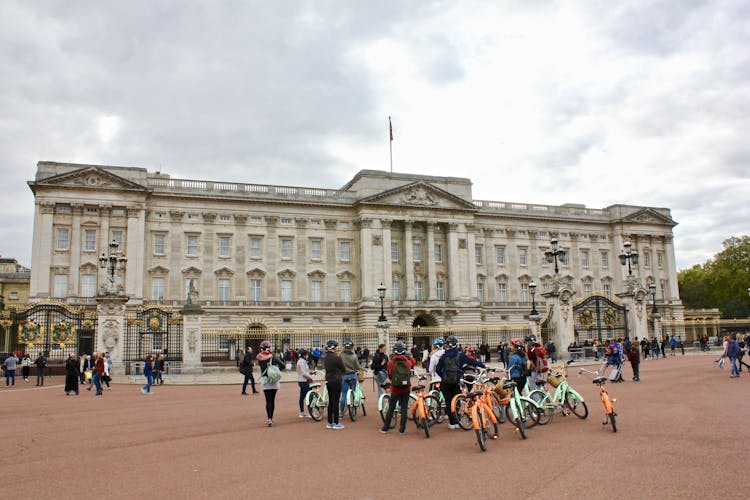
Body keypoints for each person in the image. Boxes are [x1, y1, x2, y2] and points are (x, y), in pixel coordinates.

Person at [435, 336, 485, 429]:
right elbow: (472, 361)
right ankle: (457, 420)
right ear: (456, 344)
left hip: (445, 382)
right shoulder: (460, 355)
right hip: (456, 381)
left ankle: (452, 423)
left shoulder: (444, 355)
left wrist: (444, 376)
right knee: (457, 401)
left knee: (449, 402)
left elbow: (437, 369)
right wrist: (483, 365)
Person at [380, 341, 415, 435]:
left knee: (391, 408)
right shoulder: (408, 362)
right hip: (406, 388)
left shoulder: (391, 363)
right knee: (404, 409)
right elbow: (411, 367)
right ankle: (402, 429)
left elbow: (390, 375)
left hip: (395, 388)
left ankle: (385, 428)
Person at [257, 340, 284, 426]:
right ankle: (271, 418)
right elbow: (282, 365)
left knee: (268, 400)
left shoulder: (260, 357)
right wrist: (276, 370)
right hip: (274, 380)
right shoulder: (273, 357)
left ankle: (269, 419)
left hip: (265, 380)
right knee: (272, 400)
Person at [323, 340, 345, 430]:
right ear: (334, 347)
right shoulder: (337, 357)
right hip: (336, 380)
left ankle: (330, 422)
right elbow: (343, 368)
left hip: (328, 380)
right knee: (336, 401)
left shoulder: (326, 357)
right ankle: (336, 422)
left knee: (331, 401)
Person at [339, 339, 361, 418]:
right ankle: (354, 408)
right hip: (353, 375)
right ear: (351, 347)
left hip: (344, 376)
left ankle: (341, 413)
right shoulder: (354, 355)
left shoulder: (341, 355)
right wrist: (361, 369)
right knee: (353, 393)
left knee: (344, 394)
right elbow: (357, 366)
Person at [297, 349, 315, 418]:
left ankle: (302, 412)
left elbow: (305, 371)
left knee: (302, 397)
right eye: (306, 355)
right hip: (303, 381)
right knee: (309, 396)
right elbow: (303, 373)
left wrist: (311, 372)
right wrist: (310, 377)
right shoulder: (301, 362)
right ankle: (310, 413)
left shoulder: (302, 361)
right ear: (304, 355)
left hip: (303, 380)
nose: (307, 356)